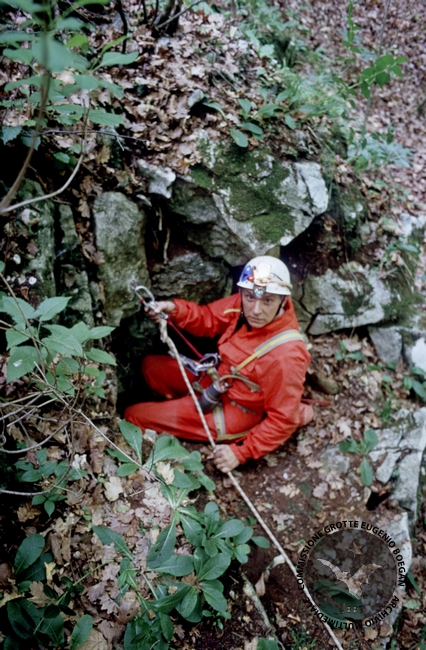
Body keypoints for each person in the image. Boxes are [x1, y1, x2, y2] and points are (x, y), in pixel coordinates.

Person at [124, 256, 313, 473]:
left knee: (133, 416)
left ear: (283, 300)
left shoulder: (286, 356)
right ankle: (178, 410)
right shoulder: (242, 306)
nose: (256, 310)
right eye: (250, 297)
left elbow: (283, 419)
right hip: (217, 380)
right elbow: (208, 318)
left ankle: (177, 419)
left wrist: (241, 452)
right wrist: (174, 310)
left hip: (237, 411)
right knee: (151, 368)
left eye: (268, 301)